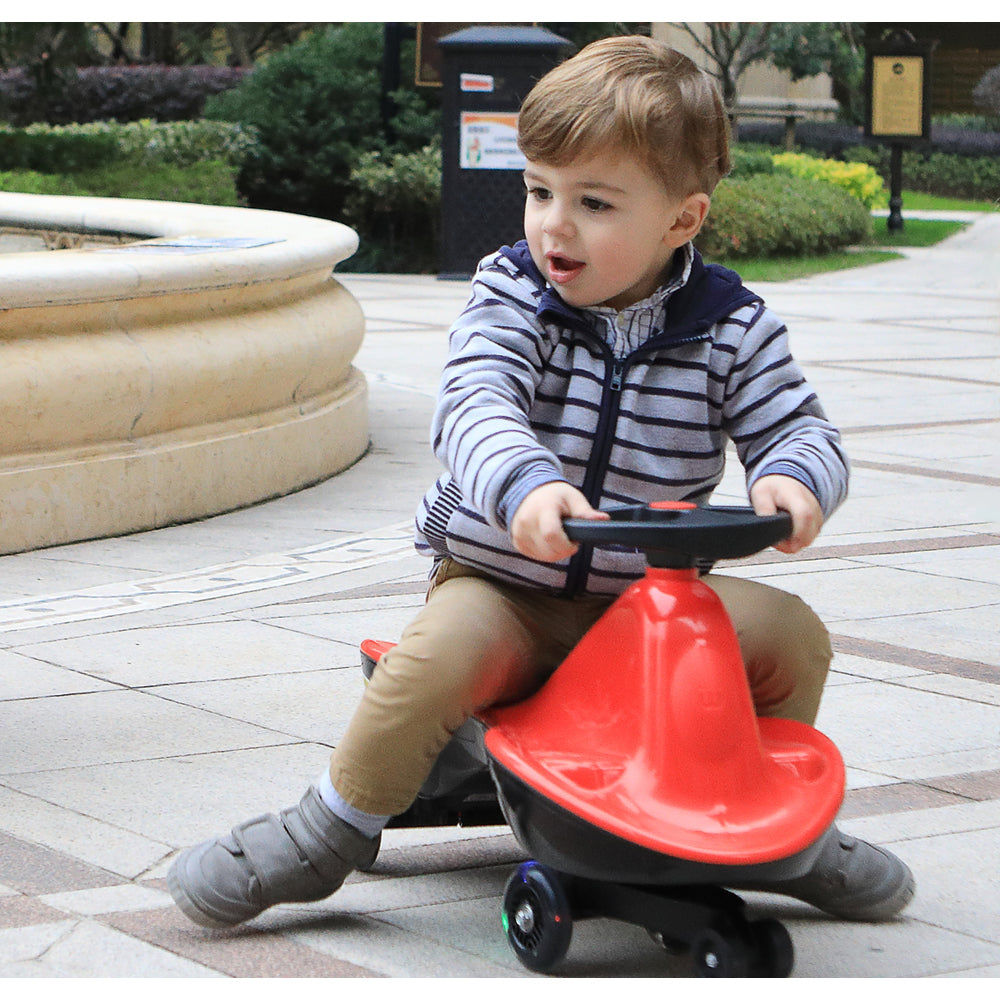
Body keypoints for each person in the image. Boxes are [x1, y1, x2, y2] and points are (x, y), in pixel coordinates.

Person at [168, 36, 914, 930]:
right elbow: (475, 402)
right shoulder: (513, 295)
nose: (554, 225)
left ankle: (767, 823)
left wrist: (795, 480)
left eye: (594, 203)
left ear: (682, 219)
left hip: (649, 604)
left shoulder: (732, 327)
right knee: (435, 658)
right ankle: (334, 825)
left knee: (789, 634)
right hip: (506, 587)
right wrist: (525, 486)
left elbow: (798, 424)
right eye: (539, 191)